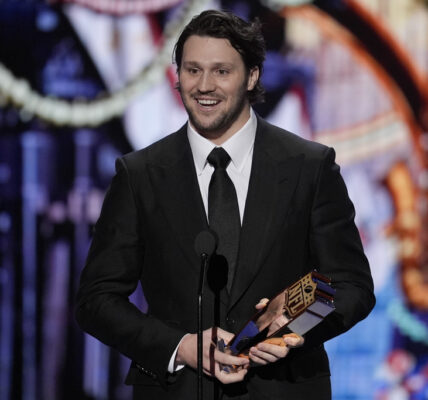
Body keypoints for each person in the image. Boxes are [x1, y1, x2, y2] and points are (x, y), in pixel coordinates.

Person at [75, 9, 375, 400]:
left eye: (221, 71)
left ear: (251, 76)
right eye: (192, 70)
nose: (204, 86)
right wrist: (181, 346)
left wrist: (295, 332)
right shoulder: (139, 174)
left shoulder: (310, 166)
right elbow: (96, 301)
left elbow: (352, 286)